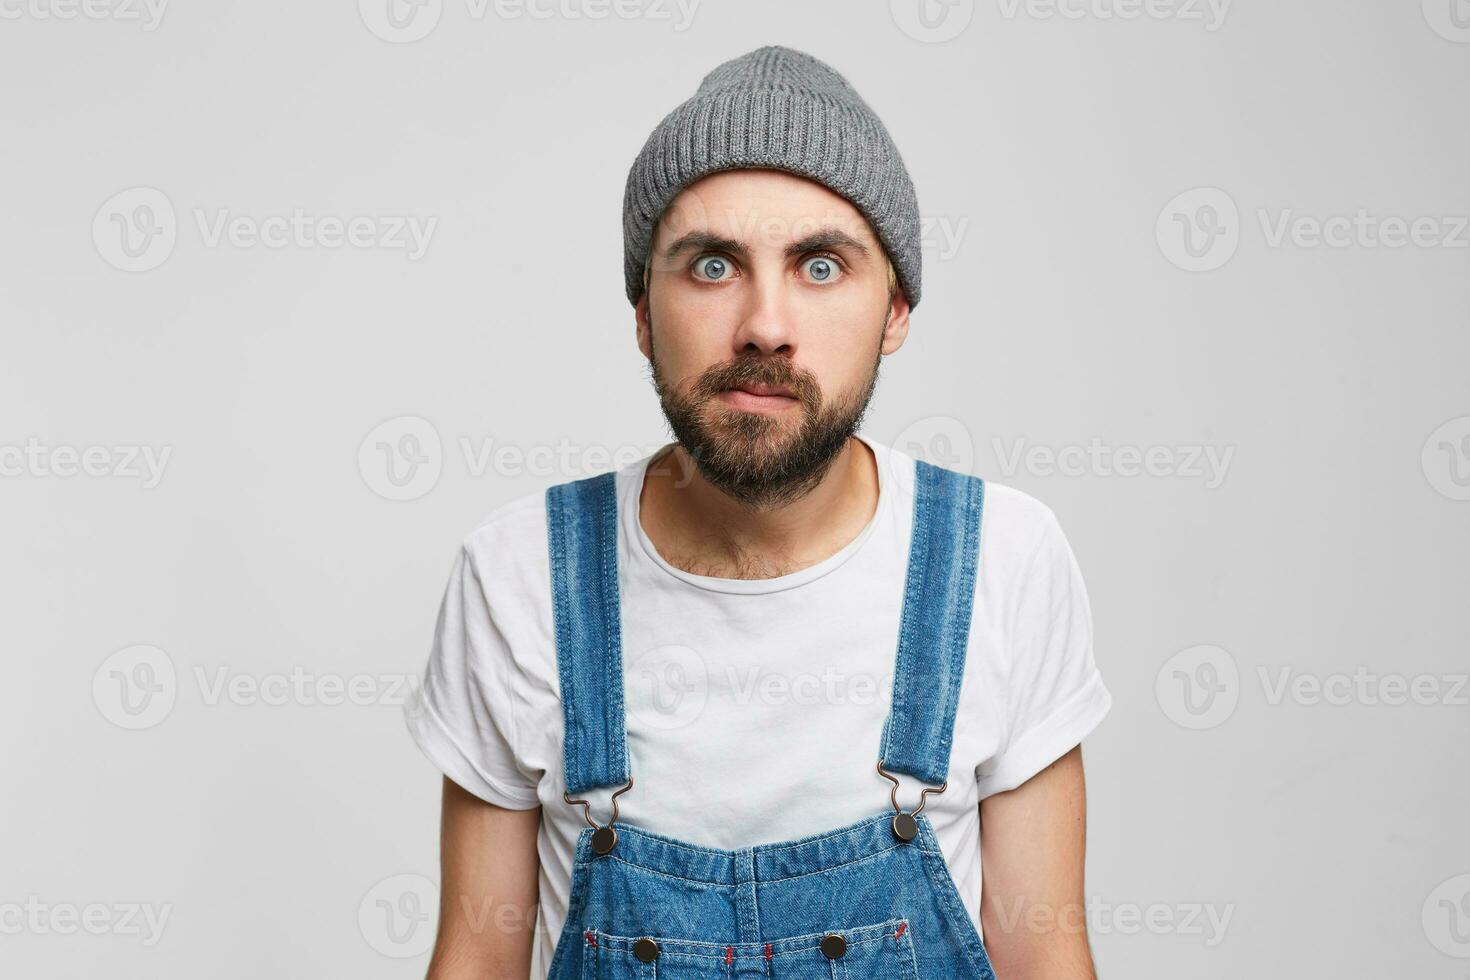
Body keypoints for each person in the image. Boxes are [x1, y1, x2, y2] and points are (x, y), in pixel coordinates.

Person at [404, 44, 1112, 980]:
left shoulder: (1005, 562)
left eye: (821, 266)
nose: (765, 325)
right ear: (643, 312)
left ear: (895, 309)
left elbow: (1046, 959)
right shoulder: (519, 575)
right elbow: (475, 959)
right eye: (710, 265)